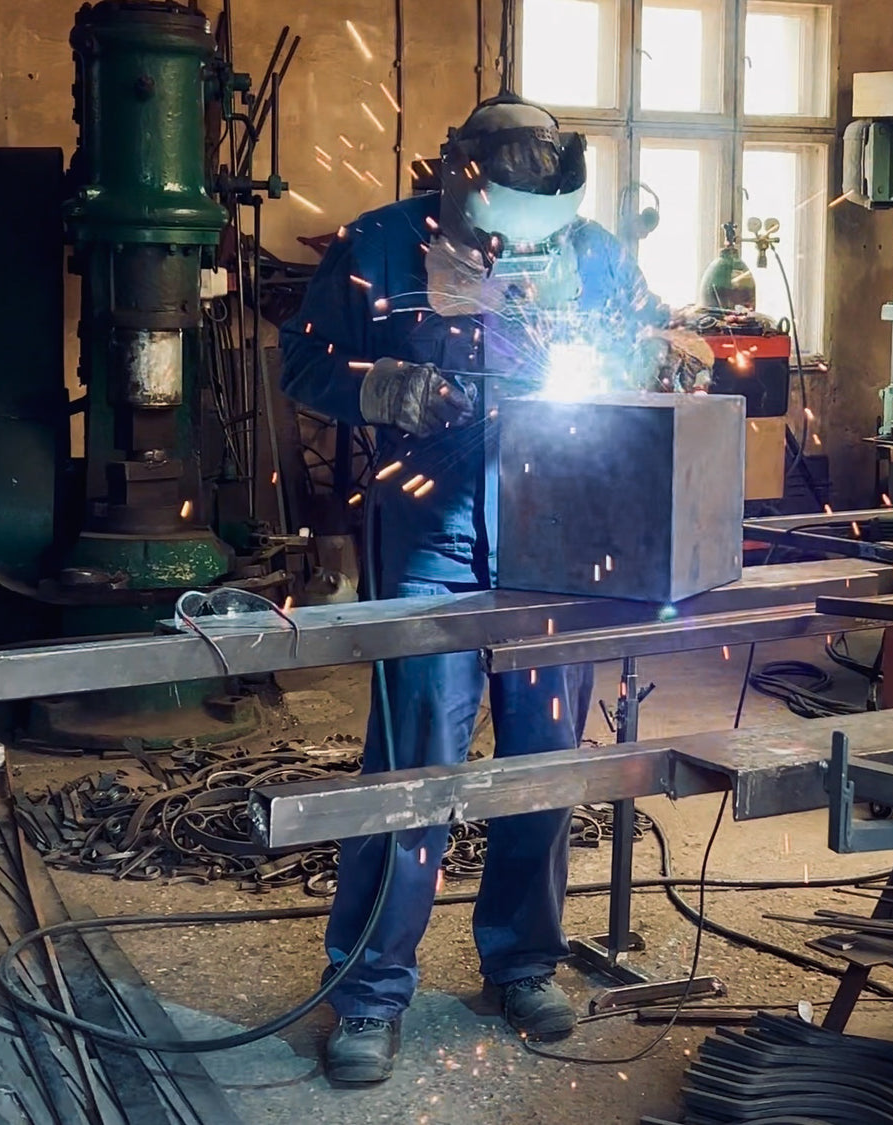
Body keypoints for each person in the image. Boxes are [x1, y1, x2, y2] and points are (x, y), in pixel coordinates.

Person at [279, 94, 703, 1085]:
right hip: (429, 535)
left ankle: (522, 961)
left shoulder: (593, 254)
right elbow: (301, 360)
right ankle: (370, 990)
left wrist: (646, 361)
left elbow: (654, 343)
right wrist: (377, 386)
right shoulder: (378, 245)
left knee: (544, 761)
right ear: (456, 179)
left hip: (561, 536)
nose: (521, 246)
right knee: (413, 766)